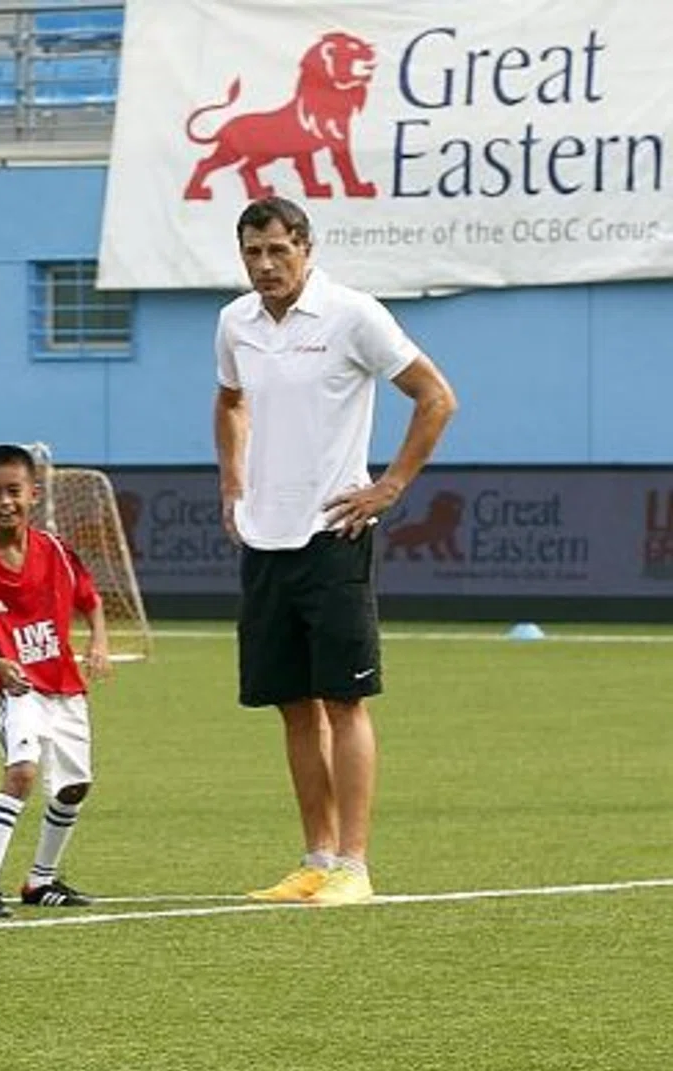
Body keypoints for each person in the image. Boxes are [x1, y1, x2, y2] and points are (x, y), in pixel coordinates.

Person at [215, 196, 457, 907]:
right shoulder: (235, 322)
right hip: (265, 538)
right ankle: (316, 858)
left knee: (343, 701)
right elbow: (229, 400)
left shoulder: (354, 315)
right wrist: (233, 480)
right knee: (292, 706)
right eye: (253, 253)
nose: (266, 266)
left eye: (278, 251)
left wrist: (390, 487)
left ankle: (354, 865)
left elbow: (436, 396)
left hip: (334, 536)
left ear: (306, 248)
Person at [0, 445, 111, 918]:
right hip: (16, 690)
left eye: (13, 492)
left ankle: (40, 880)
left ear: (33, 495)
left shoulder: (57, 552)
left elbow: (91, 599)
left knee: (73, 787)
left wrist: (98, 643)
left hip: (65, 688)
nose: (4, 503)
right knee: (21, 773)